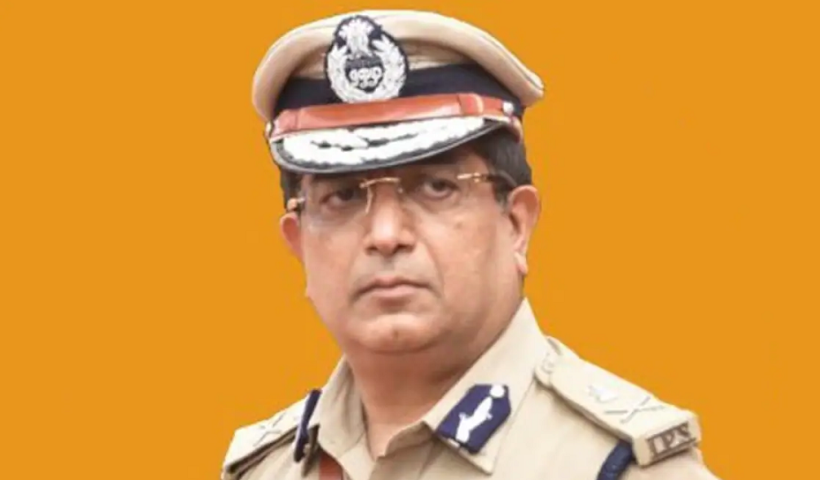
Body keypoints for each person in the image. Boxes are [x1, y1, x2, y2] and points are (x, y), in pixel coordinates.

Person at [221, 9, 721, 480]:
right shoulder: (269, 469)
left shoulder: (617, 467)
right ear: (298, 243)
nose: (386, 235)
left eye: (435, 187)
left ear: (516, 224)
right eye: (344, 196)